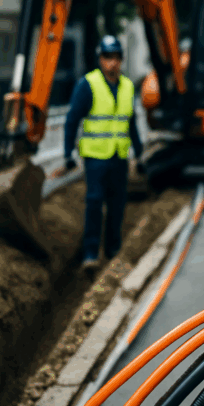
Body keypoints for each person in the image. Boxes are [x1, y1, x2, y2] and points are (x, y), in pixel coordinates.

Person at [63, 35, 144, 271]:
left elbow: (131, 123)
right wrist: (68, 154)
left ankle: (113, 251)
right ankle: (90, 253)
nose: (112, 63)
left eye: (116, 57)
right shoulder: (88, 84)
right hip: (96, 158)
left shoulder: (128, 86)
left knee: (117, 205)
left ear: (121, 60)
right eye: (108, 57)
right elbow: (72, 120)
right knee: (94, 204)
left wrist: (138, 155)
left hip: (119, 157)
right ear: (100, 59)